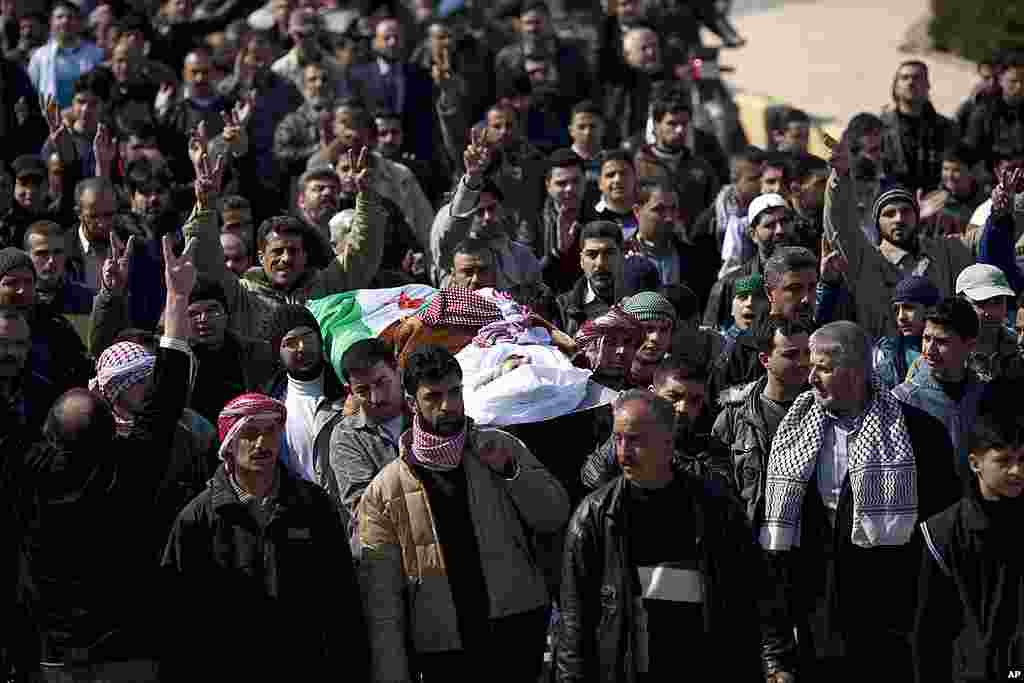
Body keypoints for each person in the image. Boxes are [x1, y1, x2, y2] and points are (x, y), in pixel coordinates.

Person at [14, 234, 193, 683]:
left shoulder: (28, 471)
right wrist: (176, 298)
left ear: (49, 434)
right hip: (130, 653)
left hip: (55, 656)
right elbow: (167, 399)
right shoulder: (132, 465)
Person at [759, 321, 962, 680]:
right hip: (815, 622)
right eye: (809, 368)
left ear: (855, 371)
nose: (810, 379)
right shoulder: (792, 434)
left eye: (822, 368)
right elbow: (775, 544)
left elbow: (942, 537)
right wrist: (776, 645)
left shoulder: (918, 435)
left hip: (891, 623)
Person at [357, 344, 569, 682]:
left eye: (455, 392)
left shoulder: (500, 447)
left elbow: (554, 515)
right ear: (412, 403)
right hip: (444, 646)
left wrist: (510, 470)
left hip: (517, 628)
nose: (449, 405)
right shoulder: (387, 489)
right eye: (434, 397)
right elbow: (383, 600)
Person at [161, 392, 369, 682]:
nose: (261, 443)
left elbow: (341, 600)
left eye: (270, 431)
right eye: (250, 433)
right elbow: (180, 618)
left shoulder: (313, 506)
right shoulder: (197, 519)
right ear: (229, 444)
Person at [557, 390, 764, 681]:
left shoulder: (715, 508)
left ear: (668, 443)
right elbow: (575, 618)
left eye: (636, 440)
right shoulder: (595, 515)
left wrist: (773, 661)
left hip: (701, 663)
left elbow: (755, 592)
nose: (623, 452)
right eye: (618, 439)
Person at [187, 143, 384, 341]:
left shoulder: (326, 286)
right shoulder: (242, 296)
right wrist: (205, 208)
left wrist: (367, 198)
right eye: (277, 251)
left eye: (293, 250)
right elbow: (206, 262)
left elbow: (362, 253)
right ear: (260, 257)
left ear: (306, 256)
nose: (286, 258)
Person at [911, 389, 1024, 683]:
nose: (1017, 471)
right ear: (976, 464)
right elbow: (930, 627)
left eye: (1023, 459)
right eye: (1004, 461)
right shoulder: (942, 532)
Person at [824, 131, 973, 340]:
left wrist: (1003, 209)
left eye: (906, 211)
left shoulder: (944, 252)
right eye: (889, 214)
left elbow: (983, 238)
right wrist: (839, 178)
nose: (899, 219)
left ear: (917, 216)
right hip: (884, 363)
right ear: (877, 222)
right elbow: (840, 226)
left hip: (938, 357)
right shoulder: (865, 260)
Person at [713, 316, 811, 525]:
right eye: (791, 355)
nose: (802, 362)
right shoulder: (736, 417)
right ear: (765, 360)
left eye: (807, 353)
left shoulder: (822, 411)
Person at [582, 355, 731, 490]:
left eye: (695, 401)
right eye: (673, 397)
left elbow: (715, 490)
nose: (683, 408)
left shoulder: (711, 450)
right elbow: (593, 478)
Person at [430, 128, 541, 290]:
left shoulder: (522, 258)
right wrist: (472, 177)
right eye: (479, 212)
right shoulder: (452, 242)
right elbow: (452, 228)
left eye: (492, 208)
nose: (488, 217)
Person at [894, 297, 988, 471]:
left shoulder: (986, 394)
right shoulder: (902, 400)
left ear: (969, 345)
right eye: (926, 338)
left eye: (942, 342)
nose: (929, 350)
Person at [262, 303, 347, 493]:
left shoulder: (349, 391)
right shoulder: (269, 407)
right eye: (291, 342)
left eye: (308, 338)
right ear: (278, 352)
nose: (301, 348)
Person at [715, 246, 818, 393]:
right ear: (770, 292)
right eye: (795, 289)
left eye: (812, 287)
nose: (806, 299)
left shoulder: (823, 342)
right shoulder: (742, 350)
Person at [330, 338, 406, 530]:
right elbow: (363, 508)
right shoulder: (347, 437)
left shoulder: (425, 413)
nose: (376, 397)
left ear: (397, 372)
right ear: (351, 391)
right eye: (363, 391)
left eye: (382, 383)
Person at [0, 246, 92, 394]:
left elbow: (83, 372)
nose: (21, 290)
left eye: (28, 282)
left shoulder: (56, 328)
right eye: (11, 283)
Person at [704, 192, 797, 329]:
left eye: (784, 222)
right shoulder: (728, 286)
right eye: (770, 225)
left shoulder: (810, 274)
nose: (780, 230)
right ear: (753, 234)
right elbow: (710, 338)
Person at [347, 16, 434, 162]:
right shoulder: (358, 76)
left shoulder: (420, 75)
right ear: (375, 42)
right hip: (371, 155)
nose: (393, 43)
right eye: (386, 38)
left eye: (397, 38)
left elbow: (426, 118)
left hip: (412, 156)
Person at [632, 97, 719, 234]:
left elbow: (713, 210)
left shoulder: (702, 168)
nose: (680, 130)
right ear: (656, 125)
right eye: (672, 124)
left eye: (684, 124)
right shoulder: (636, 165)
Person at [624, 181, 720, 304]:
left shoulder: (696, 258)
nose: (669, 217)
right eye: (659, 209)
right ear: (637, 211)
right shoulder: (620, 256)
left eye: (673, 209)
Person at [880, 60, 957, 192]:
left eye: (917, 78)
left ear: (927, 85)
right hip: (893, 203)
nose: (910, 82)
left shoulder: (946, 128)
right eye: (904, 78)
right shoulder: (880, 128)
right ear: (896, 85)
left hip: (936, 204)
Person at [24, 220, 95, 341]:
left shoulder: (87, 299)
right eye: (42, 253)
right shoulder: (18, 299)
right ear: (26, 256)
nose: (51, 260)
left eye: (57, 252)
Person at [555, 221, 626, 337]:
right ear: (582, 260)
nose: (600, 263)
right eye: (592, 254)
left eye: (609, 253)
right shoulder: (562, 307)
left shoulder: (638, 303)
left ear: (622, 257)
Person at [28, 2, 104, 107]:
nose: (65, 21)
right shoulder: (39, 56)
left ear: (78, 22)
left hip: (87, 117)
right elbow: (32, 91)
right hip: (51, 120)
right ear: (51, 22)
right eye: (59, 17)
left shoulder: (96, 54)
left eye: (70, 17)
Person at [873, 275, 941, 391]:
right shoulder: (886, 353)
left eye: (909, 307)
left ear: (931, 310)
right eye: (896, 310)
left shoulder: (952, 347)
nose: (901, 317)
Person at [538, 148, 586, 294]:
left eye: (576, 181)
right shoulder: (533, 222)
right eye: (561, 183)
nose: (569, 188)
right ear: (548, 185)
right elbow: (528, 274)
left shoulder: (599, 218)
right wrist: (558, 254)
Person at [965, 49, 1024, 167]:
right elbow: (970, 154)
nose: (1019, 87)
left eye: (1023, 81)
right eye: (1013, 81)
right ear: (1001, 80)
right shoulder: (983, 112)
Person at [572, 303, 644, 391]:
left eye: (627, 343)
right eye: (611, 343)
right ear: (589, 347)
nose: (621, 351)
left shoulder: (642, 397)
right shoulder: (567, 388)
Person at [621, 290, 676, 387]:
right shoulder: (605, 381)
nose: (656, 337)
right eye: (647, 328)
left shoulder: (678, 383)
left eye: (664, 329)